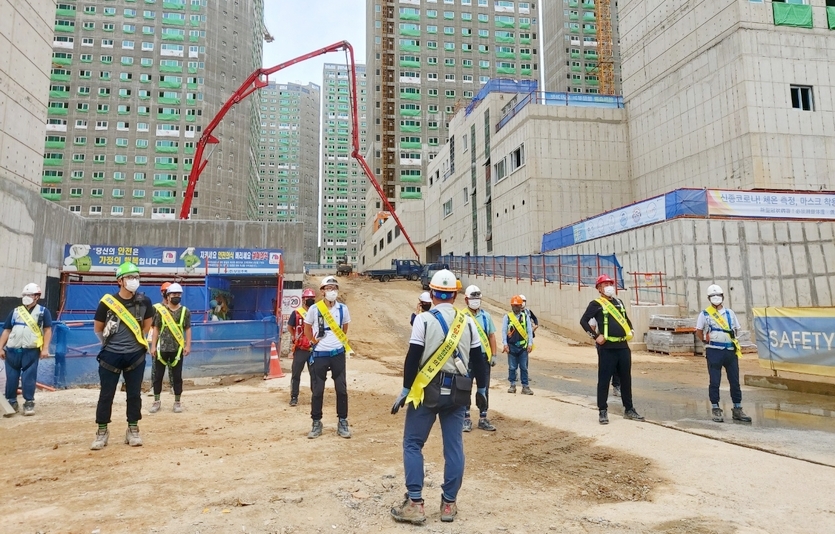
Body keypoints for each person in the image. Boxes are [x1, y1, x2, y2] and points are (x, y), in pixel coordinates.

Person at [390, 269, 488, 525]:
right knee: (453, 447)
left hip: (426, 391)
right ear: (455, 295)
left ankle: (415, 503)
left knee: (413, 443)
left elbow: (413, 357)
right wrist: (483, 390)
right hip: (459, 392)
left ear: (432, 294)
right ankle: (448, 505)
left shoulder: (423, 320)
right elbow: (480, 360)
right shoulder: (467, 322)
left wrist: (405, 389)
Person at [90, 262, 154, 450]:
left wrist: (133, 344)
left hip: (135, 356)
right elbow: (98, 329)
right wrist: (111, 346)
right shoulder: (107, 302)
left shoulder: (145, 302)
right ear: (120, 280)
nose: (134, 281)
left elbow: (146, 327)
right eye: (130, 277)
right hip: (110, 356)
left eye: (136, 277)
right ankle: (102, 431)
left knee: (134, 394)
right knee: (106, 394)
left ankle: (133, 429)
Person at [580, 274, 644, 424]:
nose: (609, 286)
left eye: (610, 283)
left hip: (623, 347)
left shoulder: (619, 302)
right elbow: (583, 321)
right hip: (607, 348)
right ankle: (602, 411)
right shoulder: (596, 304)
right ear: (599, 289)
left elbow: (626, 319)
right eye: (605, 284)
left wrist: (631, 330)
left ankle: (629, 409)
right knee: (604, 380)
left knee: (626, 379)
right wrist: (595, 336)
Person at [303, 275, 352, 439]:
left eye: (334, 288)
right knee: (317, 390)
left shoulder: (343, 309)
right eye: (329, 288)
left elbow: (344, 328)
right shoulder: (314, 309)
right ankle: (316, 422)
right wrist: (312, 341)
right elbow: (307, 327)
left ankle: (342, 421)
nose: (332, 291)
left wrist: (337, 343)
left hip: (337, 353)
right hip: (320, 354)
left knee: (341, 389)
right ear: (322, 291)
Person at [696, 285, 752, 423]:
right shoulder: (705, 314)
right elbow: (698, 331)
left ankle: (737, 408)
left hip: (730, 351)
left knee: (734, 381)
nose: (716, 299)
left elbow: (736, 329)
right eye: (713, 297)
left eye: (718, 296)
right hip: (714, 351)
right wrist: (705, 340)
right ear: (709, 299)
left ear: (723, 297)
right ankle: (716, 408)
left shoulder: (730, 313)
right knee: (715, 381)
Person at [0, 283, 53, 416]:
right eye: (24, 295)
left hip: (31, 350)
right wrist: (0, 347)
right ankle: (11, 402)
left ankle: (29, 403)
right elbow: (7, 330)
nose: (26, 297)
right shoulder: (16, 311)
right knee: (11, 378)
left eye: (29, 295)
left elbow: (47, 330)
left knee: (29, 378)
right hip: (12, 350)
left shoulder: (43, 312)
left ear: (37, 297)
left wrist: (45, 348)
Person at [149, 283, 191, 414]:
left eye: (178, 294)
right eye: (174, 294)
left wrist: (188, 345)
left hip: (177, 350)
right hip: (161, 349)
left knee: (177, 377)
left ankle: (177, 402)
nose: (176, 296)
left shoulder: (185, 311)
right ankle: (156, 401)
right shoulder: (161, 311)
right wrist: (153, 346)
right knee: (158, 376)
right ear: (167, 296)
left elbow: (187, 329)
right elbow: (156, 328)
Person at [461, 285, 497, 432]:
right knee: (464, 388)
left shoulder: (486, 316)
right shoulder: (461, 316)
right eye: (472, 298)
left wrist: (494, 355)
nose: (475, 301)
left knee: (484, 388)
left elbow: (491, 336)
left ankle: (483, 418)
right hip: (467, 358)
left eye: (477, 298)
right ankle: (466, 419)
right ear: (466, 300)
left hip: (483, 358)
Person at [287, 288, 316, 407]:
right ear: (303, 300)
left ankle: (316, 397)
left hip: (313, 348)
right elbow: (290, 326)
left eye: (312, 299)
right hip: (300, 348)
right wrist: (295, 337)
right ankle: (294, 397)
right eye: (307, 299)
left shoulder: (317, 313)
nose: (309, 301)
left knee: (315, 374)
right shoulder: (297, 313)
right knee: (296, 373)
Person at [502, 295, 534, 395]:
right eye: (514, 305)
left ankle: (525, 386)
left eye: (518, 305)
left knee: (524, 367)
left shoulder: (525, 317)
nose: (516, 307)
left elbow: (529, 331)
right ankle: (512, 385)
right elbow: (504, 331)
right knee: (512, 367)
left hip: (523, 347)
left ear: (521, 306)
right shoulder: (507, 317)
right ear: (511, 306)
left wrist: (530, 344)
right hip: (511, 347)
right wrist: (505, 344)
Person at [589, 318, 621, 397]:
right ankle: (602, 395)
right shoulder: (597, 311)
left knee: (617, 366)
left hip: (616, 343)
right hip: (603, 345)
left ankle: (616, 386)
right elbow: (591, 328)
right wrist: (596, 337)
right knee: (605, 368)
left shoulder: (615, 311)